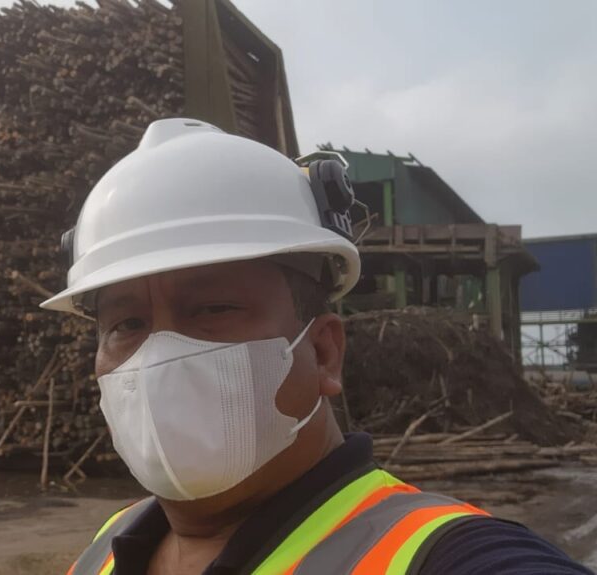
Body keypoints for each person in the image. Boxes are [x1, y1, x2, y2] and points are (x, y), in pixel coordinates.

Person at [39, 119, 593, 575]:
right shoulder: (106, 550)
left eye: (212, 309)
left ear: (324, 351)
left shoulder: (444, 556)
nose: (160, 354)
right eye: (127, 324)